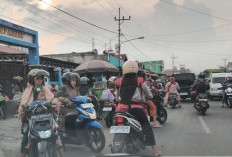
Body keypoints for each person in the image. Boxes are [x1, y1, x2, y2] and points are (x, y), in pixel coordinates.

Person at [116, 61, 161, 157]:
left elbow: (117, 98)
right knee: (147, 127)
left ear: (124, 70)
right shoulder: (140, 81)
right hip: (135, 108)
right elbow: (149, 95)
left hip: (121, 109)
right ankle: (155, 151)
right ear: (135, 69)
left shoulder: (119, 81)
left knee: (117, 123)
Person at [18, 69, 64, 157]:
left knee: (55, 133)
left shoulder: (43, 88)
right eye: (38, 79)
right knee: (25, 136)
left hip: (45, 116)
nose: (40, 81)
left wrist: (56, 102)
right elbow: (23, 102)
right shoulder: (28, 89)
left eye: (41, 79)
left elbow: (51, 98)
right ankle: (22, 154)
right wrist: (23, 108)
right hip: (31, 116)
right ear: (32, 79)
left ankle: (61, 152)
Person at [55, 72, 80, 138]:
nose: (74, 82)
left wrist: (86, 98)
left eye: (75, 80)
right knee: (72, 119)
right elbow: (57, 97)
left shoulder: (75, 89)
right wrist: (66, 100)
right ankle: (67, 134)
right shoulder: (64, 88)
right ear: (68, 81)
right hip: (65, 109)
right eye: (72, 80)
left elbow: (79, 96)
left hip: (75, 108)